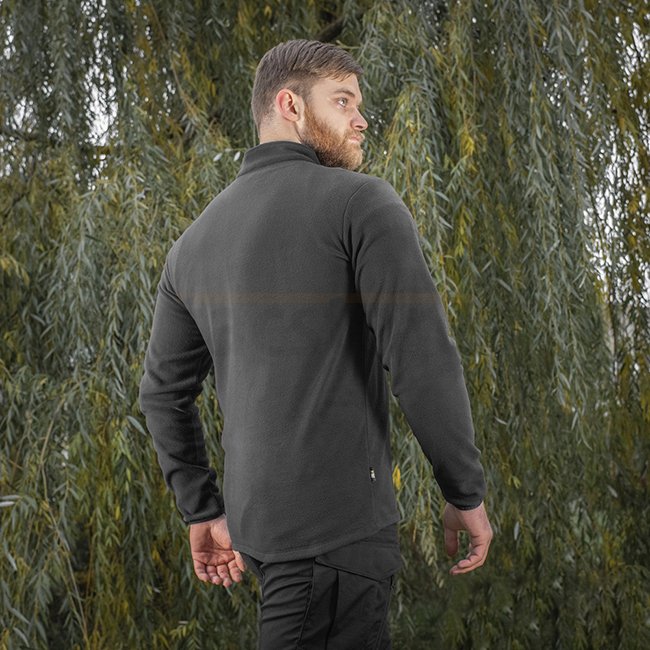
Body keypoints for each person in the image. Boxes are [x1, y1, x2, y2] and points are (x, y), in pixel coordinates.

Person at [139, 39, 493, 649]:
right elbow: (421, 359)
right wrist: (465, 490)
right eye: (343, 101)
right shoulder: (361, 203)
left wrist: (201, 508)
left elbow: (161, 394)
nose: (362, 119)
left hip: (264, 539)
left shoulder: (192, 245)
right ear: (290, 105)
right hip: (338, 540)